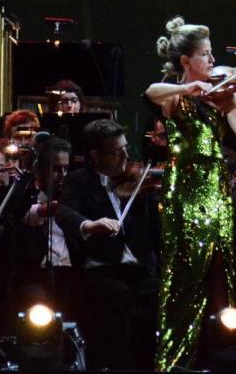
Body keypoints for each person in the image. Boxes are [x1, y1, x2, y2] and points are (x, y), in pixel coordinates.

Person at [145, 16, 236, 370]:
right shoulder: (173, 97)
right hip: (185, 192)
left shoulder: (222, 97)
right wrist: (187, 89)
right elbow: (151, 91)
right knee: (183, 278)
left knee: (219, 276)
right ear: (186, 62)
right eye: (206, 55)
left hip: (217, 193)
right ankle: (175, 361)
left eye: (212, 55)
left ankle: (220, 358)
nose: (212, 62)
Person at [56, 119, 160, 370]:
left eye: (126, 149)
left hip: (137, 270)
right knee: (117, 296)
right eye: (117, 152)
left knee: (161, 293)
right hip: (100, 269)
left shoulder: (137, 182)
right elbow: (64, 211)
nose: (125, 156)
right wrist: (89, 225)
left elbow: (154, 231)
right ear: (96, 155)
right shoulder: (80, 180)